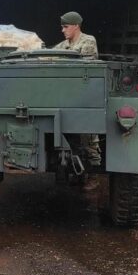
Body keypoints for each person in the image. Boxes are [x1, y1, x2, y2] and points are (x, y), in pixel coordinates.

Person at [54, 11, 101, 169]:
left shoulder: (88, 41)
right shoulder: (63, 45)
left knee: (89, 137)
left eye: (65, 27)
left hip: (84, 94)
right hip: (67, 95)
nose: (63, 30)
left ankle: (93, 174)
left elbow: (84, 66)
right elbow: (49, 56)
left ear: (76, 26)